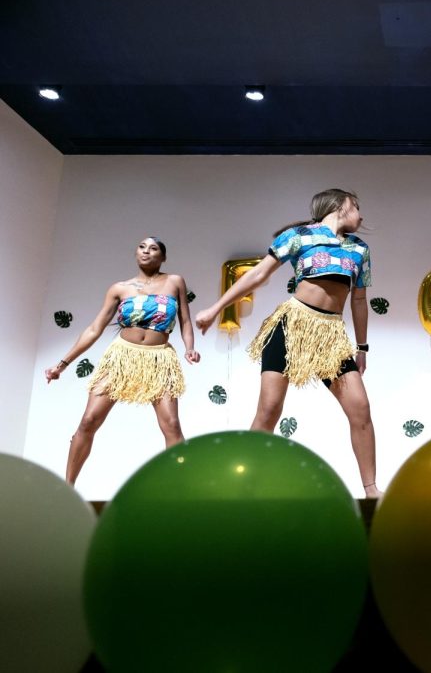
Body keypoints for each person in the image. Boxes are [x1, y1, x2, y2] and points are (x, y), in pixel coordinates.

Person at [195, 189, 381, 498]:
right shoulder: (298, 236)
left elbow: (359, 301)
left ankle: (371, 489)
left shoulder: (359, 249)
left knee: (360, 409)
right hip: (292, 325)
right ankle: (244, 482)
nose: (361, 216)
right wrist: (215, 309)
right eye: (356, 207)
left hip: (330, 335)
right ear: (338, 207)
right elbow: (257, 276)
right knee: (268, 410)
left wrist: (362, 348)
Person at [45, 237, 200, 484]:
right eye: (142, 247)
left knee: (171, 424)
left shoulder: (174, 282)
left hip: (159, 359)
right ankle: (68, 487)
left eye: (154, 248)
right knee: (88, 420)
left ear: (163, 257)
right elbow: (95, 328)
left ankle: (180, 491)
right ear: (136, 253)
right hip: (122, 356)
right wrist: (62, 364)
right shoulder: (120, 288)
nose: (147, 251)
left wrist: (189, 348)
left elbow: (185, 321)